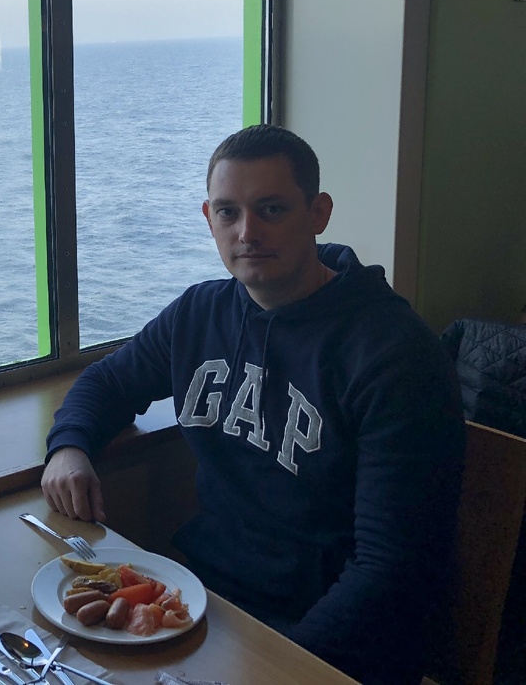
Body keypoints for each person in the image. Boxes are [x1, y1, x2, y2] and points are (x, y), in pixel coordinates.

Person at [42, 124, 464, 685]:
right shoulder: (200, 313)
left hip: (331, 641)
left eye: (272, 209)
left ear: (318, 213)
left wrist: (275, 669)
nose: (247, 233)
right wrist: (69, 446)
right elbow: (107, 383)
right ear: (208, 218)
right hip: (205, 606)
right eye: (228, 212)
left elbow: (389, 570)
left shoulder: (395, 356)